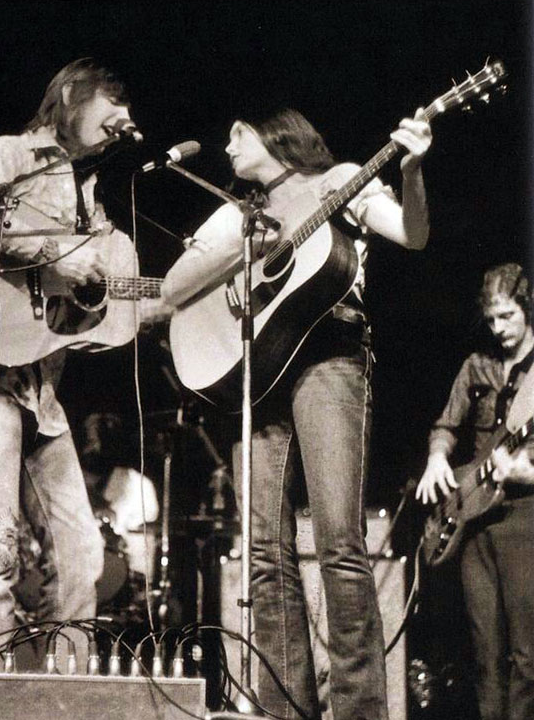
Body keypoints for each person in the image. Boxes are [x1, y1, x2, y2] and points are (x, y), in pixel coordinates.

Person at [161, 106, 432, 719]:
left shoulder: (338, 179)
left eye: (238, 132)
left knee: (339, 544)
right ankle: (286, 710)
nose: (228, 145)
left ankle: (360, 712)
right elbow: (175, 287)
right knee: (263, 553)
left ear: (275, 133)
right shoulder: (238, 212)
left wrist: (412, 170)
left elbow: (411, 234)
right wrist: (246, 248)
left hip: (330, 359)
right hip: (258, 377)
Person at [0, 57, 138, 683]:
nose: (124, 120)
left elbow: (112, 297)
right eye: (113, 102)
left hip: (39, 391)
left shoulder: (89, 195)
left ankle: (67, 697)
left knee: (83, 552)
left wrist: (186, 295)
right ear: (71, 96)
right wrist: (49, 257)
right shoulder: (13, 154)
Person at [416, 263, 534, 720]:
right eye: (491, 320)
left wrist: (525, 474)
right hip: (474, 519)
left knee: (527, 654)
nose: (499, 328)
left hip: (524, 517)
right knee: (485, 651)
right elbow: (446, 425)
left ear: (527, 309)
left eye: (507, 316)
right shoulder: (476, 366)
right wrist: (437, 458)